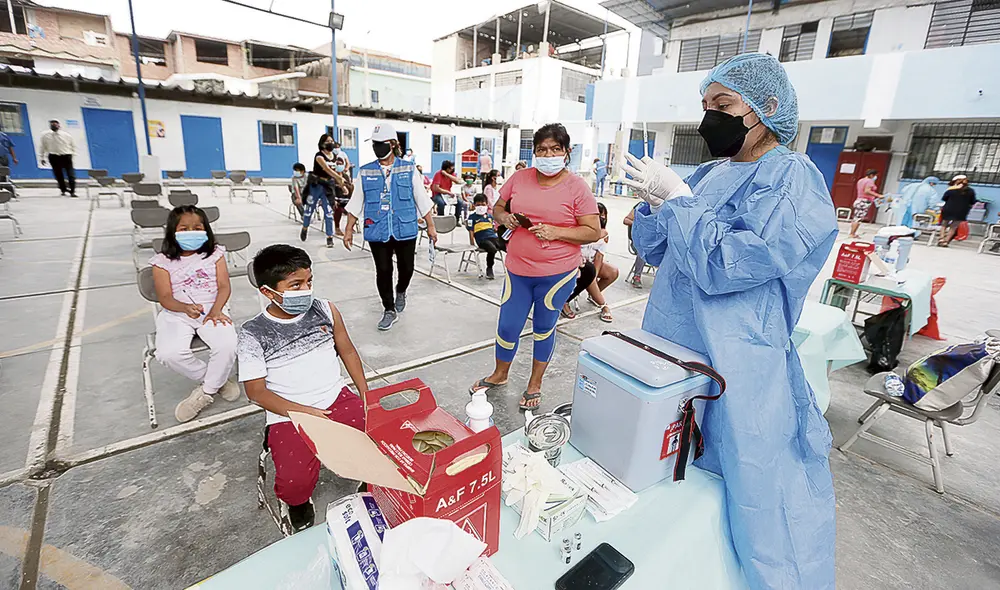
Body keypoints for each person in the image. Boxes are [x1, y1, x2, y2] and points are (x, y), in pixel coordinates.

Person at [622, 53, 837, 589]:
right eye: (704, 106)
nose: (709, 117)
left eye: (723, 104)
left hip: (740, 360)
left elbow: (729, 265)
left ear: (767, 108)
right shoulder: (710, 173)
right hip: (670, 351)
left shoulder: (794, 180)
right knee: (668, 474)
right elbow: (655, 251)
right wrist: (652, 206)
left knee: (754, 500)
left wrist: (681, 201)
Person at [237, 244, 369, 532]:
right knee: (294, 482)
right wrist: (304, 412)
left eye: (309, 282)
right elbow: (256, 393)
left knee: (377, 444)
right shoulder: (253, 333)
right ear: (268, 292)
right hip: (288, 411)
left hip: (336, 397)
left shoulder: (325, 309)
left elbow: (346, 350)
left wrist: (365, 394)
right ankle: (297, 503)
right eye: (296, 284)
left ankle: (366, 479)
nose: (306, 290)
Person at [470, 123, 601, 410]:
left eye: (555, 149)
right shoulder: (519, 178)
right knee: (508, 325)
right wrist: (505, 219)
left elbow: (593, 231)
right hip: (518, 270)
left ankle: (534, 383)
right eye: (542, 149)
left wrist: (557, 232)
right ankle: (500, 374)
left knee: (544, 328)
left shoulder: (577, 187)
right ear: (534, 152)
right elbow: (498, 208)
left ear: (566, 152)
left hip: (556, 274)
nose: (548, 154)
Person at [343, 123, 438, 331]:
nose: (377, 148)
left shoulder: (408, 168)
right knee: (383, 270)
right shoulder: (365, 171)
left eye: (381, 144)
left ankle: (401, 290)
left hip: (404, 228)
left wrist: (431, 226)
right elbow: (357, 200)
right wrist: (349, 229)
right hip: (377, 229)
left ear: (393, 144)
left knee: (407, 268)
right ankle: (388, 309)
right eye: (374, 144)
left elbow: (421, 198)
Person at [150, 205, 240, 423]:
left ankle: (205, 393)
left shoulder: (215, 254)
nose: (191, 231)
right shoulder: (161, 262)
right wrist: (184, 308)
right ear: (172, 231)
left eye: (197, 227)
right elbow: (165, 297)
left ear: (206, 229)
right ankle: (216, 382)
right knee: (168, 353)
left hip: (213, 309)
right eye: (184, 228)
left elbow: (224, 286)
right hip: (177, 313)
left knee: (228, 345)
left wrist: (217, 310)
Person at [301, 134, 340, 248]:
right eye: (328, 141)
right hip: (316, 185)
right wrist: (338, 178)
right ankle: (305, 227)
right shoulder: (319, 156)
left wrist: (342, 185)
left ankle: (329, 237)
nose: (331, 143)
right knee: (309, 210)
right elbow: (327, 169)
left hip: (327, 187)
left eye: (332, 141)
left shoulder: (334, 156)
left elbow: (336, 171)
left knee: (328, 213)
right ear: (322, 143)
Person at [466, 193, 503, 280]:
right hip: (482, 239)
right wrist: (472, 244)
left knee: (506, 246)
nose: (481, 207)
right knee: (492, 249)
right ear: (474, 205)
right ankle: (489, 268)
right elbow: (471, 231)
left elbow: (494, 228)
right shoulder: (472, 217)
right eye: (478, 205)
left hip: (492, 237)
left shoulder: (489, 216)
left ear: (487, 204)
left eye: (483, 204)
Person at [39, 120, 76, 197]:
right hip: (54, 156)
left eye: (55, 125)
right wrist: (42, 157)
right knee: (58, 174)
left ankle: (72, 191)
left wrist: (72, 154)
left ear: (59, 126)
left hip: (66, 155)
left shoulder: (66, 135)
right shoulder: (45, 136)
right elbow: (43, 147)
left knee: (70, 174)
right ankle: (63, 189)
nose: (53, 126)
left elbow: (73, 145)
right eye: (52, 125)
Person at [938, 175, 977, 247]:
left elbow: (944, 198)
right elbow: (973, 201)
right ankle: (946, 241)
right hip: (962, 211)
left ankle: (941, 239)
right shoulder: (971, 191)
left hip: (949, 209)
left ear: (956, 181)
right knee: (954, 227)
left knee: (944, 224)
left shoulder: (951, 189)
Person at [849, 169, 881, 238]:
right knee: (858, 218)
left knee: (856, 217)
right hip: (864, 201)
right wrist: (878, 195)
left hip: (859, 200)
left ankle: (852, 232)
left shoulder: (861, 180)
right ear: (872, 175)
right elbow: (867, 191)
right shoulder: (869, 181)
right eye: (875, 176)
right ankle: (852, 233)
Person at [623, 205, 645, 288]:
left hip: (653, 243)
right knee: (643, 250)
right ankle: (636, 276)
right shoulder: (641, 206)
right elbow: (626, 220)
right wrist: (638, 224)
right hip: (638, 242)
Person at [331, 154, 353, 237]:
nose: (339, 166)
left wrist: (345, 187)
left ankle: (350, 227)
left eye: (340, 164)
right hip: (335, 200)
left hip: (345, 199)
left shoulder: (346, 176)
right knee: (338, 209)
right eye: (337, 164)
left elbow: (350, 186)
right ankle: (337, 228)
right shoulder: (332, 176)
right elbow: (329, 190)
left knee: (354, 209)